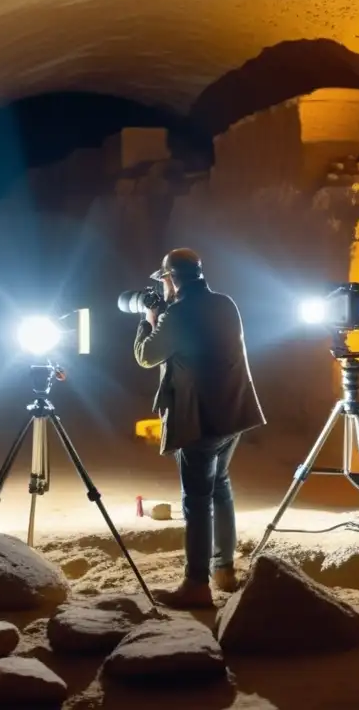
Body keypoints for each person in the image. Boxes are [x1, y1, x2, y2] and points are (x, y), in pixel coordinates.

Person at [134, 248, 266, 609]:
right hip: (233, 415)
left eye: (163, 280)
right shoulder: (225, 303)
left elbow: (147, 355)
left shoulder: (177, 313)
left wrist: (148, 319)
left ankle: (196, 585)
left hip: (200, 419)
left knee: (195, 500)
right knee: (220, 486)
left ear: (171, 278)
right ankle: (223, 569)